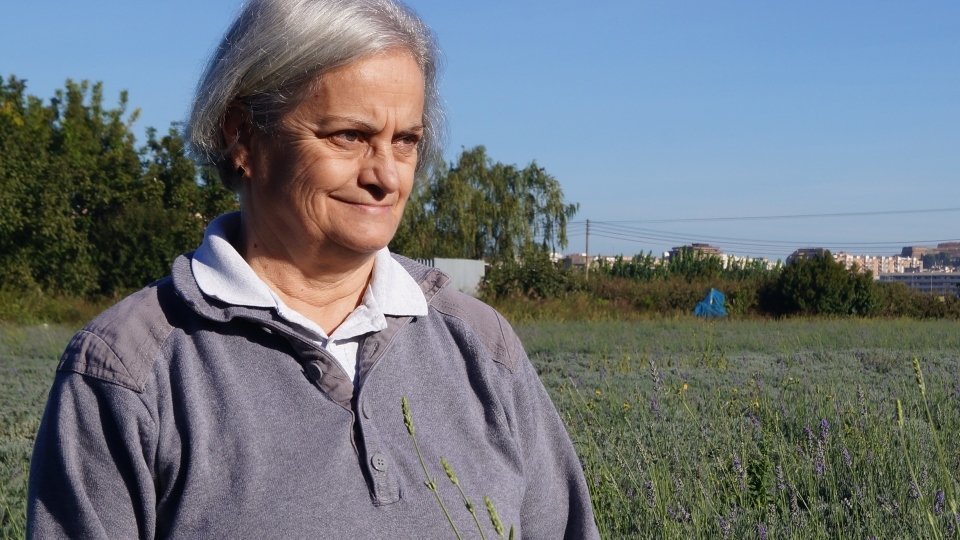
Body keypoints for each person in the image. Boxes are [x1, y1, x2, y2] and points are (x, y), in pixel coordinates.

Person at [27, 0, 599, 538]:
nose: (386, 176)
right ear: (242, 134)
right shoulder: (126, 372)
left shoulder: (479, 344)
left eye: (405, 141)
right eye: (349, 136)